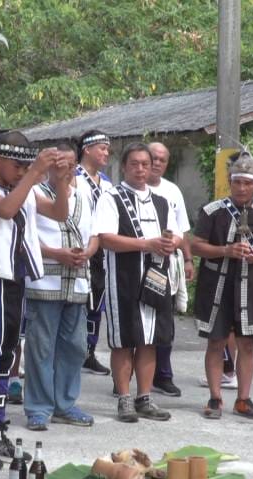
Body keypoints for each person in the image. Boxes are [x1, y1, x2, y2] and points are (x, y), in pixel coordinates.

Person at [0, 130, 67, 469]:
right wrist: (35, 172)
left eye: (26, 166)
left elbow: (60, 214)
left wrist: (61, 180)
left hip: (14, 282)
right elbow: (5, 211)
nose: (22, 171)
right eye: (17, 166)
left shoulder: (25, 188)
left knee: (6, 360)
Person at [191, 152, 253, 420]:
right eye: (237, 182)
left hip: (250, 286)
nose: (242, 188)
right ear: (230, 182)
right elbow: (196, 246)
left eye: (247, 183)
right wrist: (226, 250)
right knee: (216, 342)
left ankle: (243, 399)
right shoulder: (212, 211)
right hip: (217, 285)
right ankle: (215, 397)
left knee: (248, 344)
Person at [94, 142, 178, 423]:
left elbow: (177, 234)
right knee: (123, 341)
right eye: (135, 164)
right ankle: (124, 398)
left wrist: (171, 243)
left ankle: (145, 397)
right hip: (123, 278)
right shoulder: (111, 197)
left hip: (156, 278)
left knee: (150, 340)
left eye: (146, 164)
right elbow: (106, 238)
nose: (141, 169)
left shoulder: (162, 201)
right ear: (124, 166)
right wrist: (147, 244)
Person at [23, 142, 97, 431]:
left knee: (75, 347)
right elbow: (25, 236)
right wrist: (57, 253)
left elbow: (95, 234)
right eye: (58, 163)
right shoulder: (33, 193)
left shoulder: (84, 195)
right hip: (45, 281)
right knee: (41, 348)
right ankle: (38, 408)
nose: (64, 169)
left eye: (69, 163)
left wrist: (87, 252)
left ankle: (65, 404)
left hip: (77, 282)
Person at [147, 142, 194, 397]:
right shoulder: (124, 191)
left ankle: (163, 375)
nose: (156, 163)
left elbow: (182, 229)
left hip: (166, 265)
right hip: (137, 263)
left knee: (165, 322)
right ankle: (126, 378)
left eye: (161, 160)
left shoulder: (172, 190)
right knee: (137, 321)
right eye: (152, 157)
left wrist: (188, 259)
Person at [75, 130, 116, 376]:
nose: (106, 153)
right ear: (87, 149)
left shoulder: (107, 182)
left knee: (96, 302)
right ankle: (73, 350)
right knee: (79, 300)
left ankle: (88, 352)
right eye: (102, 148)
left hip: (101, 250)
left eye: (107, 149)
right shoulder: (73, 178)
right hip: (79, 246)